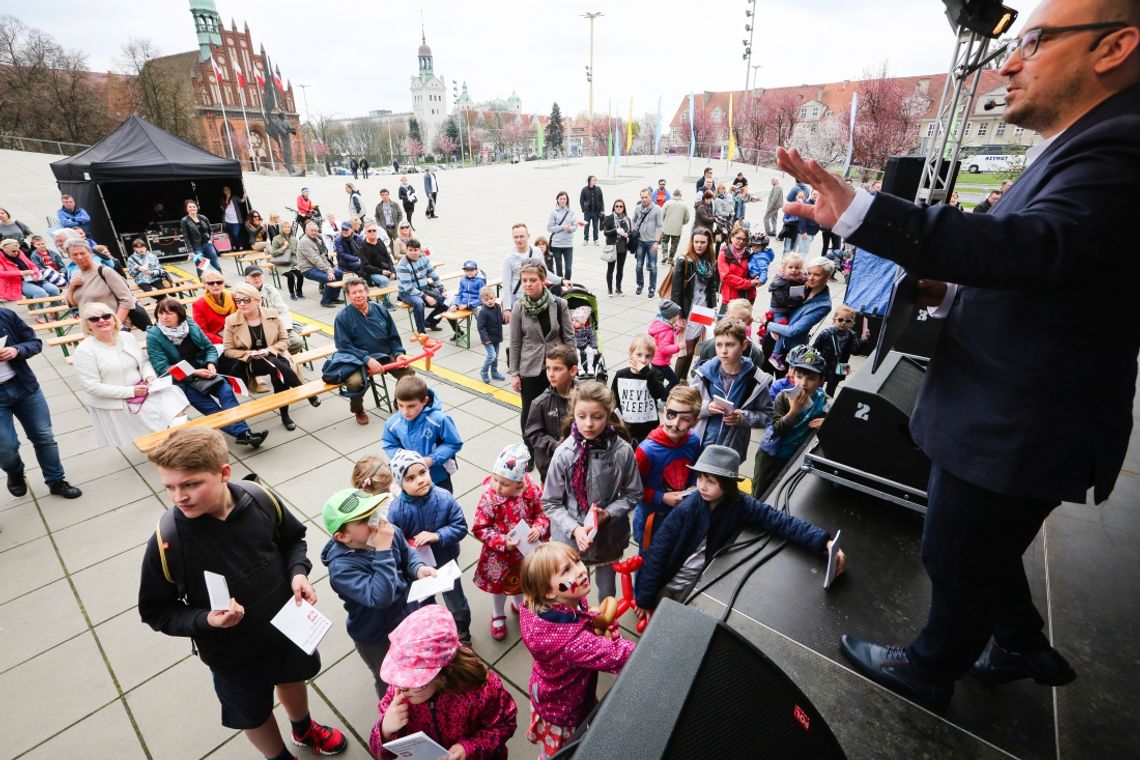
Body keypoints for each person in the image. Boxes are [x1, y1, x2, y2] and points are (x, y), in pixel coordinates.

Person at [775, 0, 1140, 708]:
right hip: (1022, 406)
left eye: (1032, 42)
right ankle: (1016, 638)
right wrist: (949, 288)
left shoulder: (1122, 147)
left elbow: (1034, 248)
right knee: (984, 544)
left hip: (1020, 418)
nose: (1008, 61)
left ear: (1114, 46)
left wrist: (862, 213)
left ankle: (930, 668)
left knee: (952, 549)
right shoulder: (1092, 142)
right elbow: (1051, 272)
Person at [137, 427, 349, 759]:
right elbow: (156, 611)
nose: (179, 497)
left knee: (293, 678)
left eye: (190, 484)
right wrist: (206, 619)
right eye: (170, 487)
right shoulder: (168, 540)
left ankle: (303, 727)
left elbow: (293, 540)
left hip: (286, 629)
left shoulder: (260, 499)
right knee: (253, 712)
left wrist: (298, 573)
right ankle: (278, 757)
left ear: (224, 473)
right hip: (232, 654)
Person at [634, 444, 842, 614]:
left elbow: (779, 520)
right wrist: (644, 598)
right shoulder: (687, 509)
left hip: (702, 583)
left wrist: (823, 541)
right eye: (699, 478)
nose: (702, 486)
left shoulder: (741, 504)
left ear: (727, 485)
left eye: (711, 481)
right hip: (672, 585)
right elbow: (658, 553)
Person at [518, 542, 637, 759]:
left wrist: (592, 623)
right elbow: (623, 655)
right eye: (566, 570)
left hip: (553, 690)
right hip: (564, 710)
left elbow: (584, 617)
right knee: (559, 753)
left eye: (576, 561)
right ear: (547, 591)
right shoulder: (572, 644)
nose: (580, 570)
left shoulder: (555, 602)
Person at [320, 487, 434, 697]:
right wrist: (383, 550)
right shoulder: (342, 569)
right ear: (343, 536)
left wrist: (418, 568)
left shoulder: (387, 532)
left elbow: (407, 555)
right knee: (390, 680)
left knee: (415, 664)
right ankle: (390, 713)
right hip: (376, 635)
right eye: (364, 519)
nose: (376, 520)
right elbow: (380, 597)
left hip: (406, 616)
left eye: (375, 510)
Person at [371, 606, 517, 758]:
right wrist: (384, 730)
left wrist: (469, 748)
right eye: (399, 678)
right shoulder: (399, 693)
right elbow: (380, 753)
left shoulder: (482, 689)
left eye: (414, 683)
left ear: (443, 674)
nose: (402, 688)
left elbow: (504, 724)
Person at [541, 381, 641, 601]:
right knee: (569, 591)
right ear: (573, 414)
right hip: (569, 540)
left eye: (597, 417)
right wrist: (575, 529)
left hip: (607, 537)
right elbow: (550, 502)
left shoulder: (623, 452)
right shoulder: (565, 453)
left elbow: (634, 493)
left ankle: (606, 628)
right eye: (582, 416)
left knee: (607, 591)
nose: (588, 424)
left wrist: (610, 513)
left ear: (608, 415)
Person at [147, 298, 266, 448]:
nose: (164, 317)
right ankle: (244, 434)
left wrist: (211, 363)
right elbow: (162, 367)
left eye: (169, 313)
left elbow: (209, 349)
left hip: (206, 373)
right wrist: (195, 372)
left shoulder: (191, 326)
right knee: (211, 409)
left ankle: (244, 434)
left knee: (227, 392)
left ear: (179, 315)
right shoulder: (154, 336)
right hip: (183, 381)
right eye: (160, 313)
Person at [387, 449, 473, 643]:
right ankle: (436, 634)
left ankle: (462, 631)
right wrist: (408, 546)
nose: (420, 480)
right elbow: (394, 542)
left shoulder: (444, 497)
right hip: (417, 568)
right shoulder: (397, 509)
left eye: (422, 472)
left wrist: (437, 535)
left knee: (456, 600)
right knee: (425, 603)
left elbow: (460, 526)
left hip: (445, 559)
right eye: (410, 478)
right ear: (401, 483)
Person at [73, 303, 188, 448]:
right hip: (118, 400)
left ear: (114, 318)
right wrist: (131, 391)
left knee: (173, 401)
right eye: (94, 319)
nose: (102, 320)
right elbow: (91, 387)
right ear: (87, 325)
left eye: (106, 316)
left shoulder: (126, 336)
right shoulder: (84, 350)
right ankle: (174, 449)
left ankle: (181, 447)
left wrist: (149, 377)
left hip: (143, 389)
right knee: (158, 428)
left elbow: (144, 362)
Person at [0, 307, 82, 499]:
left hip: (24, 387)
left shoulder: (5, 315)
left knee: (44, 436)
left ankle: (56, 481)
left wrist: (17, 350)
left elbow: (34, 342)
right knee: (6, 447)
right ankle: (15, 471)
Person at [473, 443, 550, 640]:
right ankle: (498, 613)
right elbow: (480, 528)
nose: (498, 486)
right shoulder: (490, 497)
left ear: (519, 483)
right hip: (499, 555)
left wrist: (538, 529)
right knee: (499, 586)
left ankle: (518, 603)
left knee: (522, 580)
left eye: (504, 483)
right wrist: (501, 542)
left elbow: (543, 512)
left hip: (524, 551)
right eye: (496, 480)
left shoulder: (530, 491)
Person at [222, 282, 319, 431]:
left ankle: (285, 415)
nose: (241, 304)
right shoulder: (231, 321)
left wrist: (269, 350)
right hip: (249, 362)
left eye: (246, 300)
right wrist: (249, 354)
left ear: (257, 300)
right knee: (277, 365)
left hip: (274, 354)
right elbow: (228, 350)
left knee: (277, 370)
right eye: (238, 300)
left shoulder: (272, 314)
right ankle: (305, 392)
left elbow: (285, 341)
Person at [751, 345, 829, 497]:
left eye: (811, 378)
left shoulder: (823, 401)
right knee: (760, 493)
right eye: (800, 377)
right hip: (771, 455)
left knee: (782, 493)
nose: (804, 383)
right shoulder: (783, 397)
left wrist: (827, 424)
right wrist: (793, 411)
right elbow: (777, 429)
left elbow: (840, 421)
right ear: (793, 376)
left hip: (794, 457)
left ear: (821, 381)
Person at [691, 319, 773, 462]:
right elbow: (689, 404)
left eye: (730, 345)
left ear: (744, 345)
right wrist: (707, 407)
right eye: (719, 345)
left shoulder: (756, 380)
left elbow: (767, 415)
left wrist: (743, 417)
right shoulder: (703, 373)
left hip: (731, 451)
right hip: (700, 446)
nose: (723, 350)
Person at [332, 277, 411, 425]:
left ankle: (398, 401)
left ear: (367, 292)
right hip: (358, 360)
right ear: (348, 296)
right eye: (354, 292)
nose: (358, 295)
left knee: (408, 373)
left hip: (385, 354)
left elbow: (393, 336)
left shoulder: (380, 309)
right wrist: (367, 359)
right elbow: (343, 346)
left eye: (361, 291)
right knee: (355, 382)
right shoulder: (342, 318)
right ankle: (358, 409)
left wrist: (399, 354)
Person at [509, 261, 574, 438]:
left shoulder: (559, 304)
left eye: (532, 280)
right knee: (530, 412)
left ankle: (560, 444)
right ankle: (530, 451)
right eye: (524, 280)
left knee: (561, 409)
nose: (527, 284)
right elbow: (515, 342)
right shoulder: (519, 307)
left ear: (543, 280)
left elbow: (569, 337)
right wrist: (514, 372)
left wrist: (572, 366)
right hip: (530, 368)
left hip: (558, 366)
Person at [633, 385, 701, 550]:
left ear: (695, 421)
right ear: (664, 411)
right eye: (672, 414)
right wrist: (662, 497)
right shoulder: (646, 450)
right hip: (652, 519)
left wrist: (693, 487)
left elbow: (693, 471)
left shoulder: (693, 441)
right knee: (647, 562)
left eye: (685, 418)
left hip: (679, 513)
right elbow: (632, 489)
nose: (675, 424)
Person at [382, 374, 463, 489]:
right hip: (410, 478)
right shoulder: (393, 422)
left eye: (411, 406)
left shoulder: (439, 420)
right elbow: (389, 444)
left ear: (425, 400)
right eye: (400, 405)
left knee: (442, 503)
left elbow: (454, 443)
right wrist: (403, 459)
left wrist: (432, 459)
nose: (405, 412)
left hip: (437, 476)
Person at [765, 256, 834, 370]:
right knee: (763, 378)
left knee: (783, 383)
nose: (810, 278)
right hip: (772, 337)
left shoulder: (824, 305)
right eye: (809, 273)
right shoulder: (800, 283)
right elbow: (780, 302)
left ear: (828, 277)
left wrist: (767, 324)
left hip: (788, 348)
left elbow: (793, 330)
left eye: (816, 275)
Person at [64, 238, 149, 329]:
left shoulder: (105, 271)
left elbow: (127, 300)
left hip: (112, 327)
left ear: (90, 253)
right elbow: (72, 305)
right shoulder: (75, 275)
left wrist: (115, 325)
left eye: (82, 253)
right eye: (75, 254)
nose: (79, 257)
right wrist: (71, 288)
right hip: (91, 328)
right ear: (70, 257)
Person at [524, 345, 578, 482]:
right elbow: (532, 433)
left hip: (579, 466)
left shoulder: (584, 397)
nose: (551, 374)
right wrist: (554, 445)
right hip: (551, 469)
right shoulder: (540, 403)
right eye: (548, 368)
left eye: (557, 369)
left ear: (572, 370)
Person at [670, 227, 718, 382]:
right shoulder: (684, 260)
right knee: (686, 350)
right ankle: (674, 384)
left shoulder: (710, 260)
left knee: (693, 349)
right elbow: (676, 292)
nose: (699, 245)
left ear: (708, 243)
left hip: (703, 310)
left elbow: (711, 288)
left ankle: (683, 381)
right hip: (688, 311)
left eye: (703, 242)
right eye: (696, 242)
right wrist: (679, 316)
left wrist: (712, 309)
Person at [610, 334, 666, 445]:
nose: (643, 360)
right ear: (630, 355)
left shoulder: (655, 375)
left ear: (652, 358)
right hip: (627, 426)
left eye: (647, 356)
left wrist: (646, 373)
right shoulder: (621, 374)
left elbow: (659, 393)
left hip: (648, 426)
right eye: (639, 355)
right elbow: (614, 397)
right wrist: (617, 418)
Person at [501, 224, 570, 314]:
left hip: (537, 298)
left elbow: (545, 273)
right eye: (516, 237)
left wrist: (561, 280)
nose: (519, 240)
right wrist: (507, 309)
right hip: (519, 300)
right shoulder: (509, 258)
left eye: (522, 236)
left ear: (528, 236)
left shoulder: (537, 251)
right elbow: (506, 285)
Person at [395, 239, 453, 335]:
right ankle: (421, 332)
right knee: (419, 303)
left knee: (445, 299)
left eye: (415, 250)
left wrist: (442, 289)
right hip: (407, 293)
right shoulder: (402, 265)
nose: (413, 253)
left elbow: (434, 275)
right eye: (410, 250)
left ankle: (430, 322)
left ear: (419, 250)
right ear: (406, 250)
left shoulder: (424, 258)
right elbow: (408, 288)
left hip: (424, 288)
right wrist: (426, 297)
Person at [812, 304, 871, 396]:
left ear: (851, 323)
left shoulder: (852, 335)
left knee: (832, 388)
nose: (843, 322)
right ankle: (815, 401)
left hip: (842, 364)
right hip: (824, 363)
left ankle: (826, 404)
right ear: (834, 320)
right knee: (818, 385)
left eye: (847, 321)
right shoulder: (826, 333)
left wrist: (863, 340)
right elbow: (814, 348)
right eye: (840, 319)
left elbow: (855, 351)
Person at [244, 266, 303, 355]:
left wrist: (285, 329)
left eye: (259, 275)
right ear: (246, 278)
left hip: (276, 326)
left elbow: (283, 310)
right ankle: (276, 358)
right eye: (253, 276)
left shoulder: (270, 289)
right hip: (257, 331)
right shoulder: (242, 293)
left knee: (297, 342)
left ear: (263, 276)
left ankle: (276, 357)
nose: (256, 279)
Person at [296, 221, 343, 308]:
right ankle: (325, 301)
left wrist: (329, 267)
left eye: (315, 230)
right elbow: (315, 259)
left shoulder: (317, 240)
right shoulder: (304, 242)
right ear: (306, 231)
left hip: (318, 267)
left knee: (339, 273)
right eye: (312, 230)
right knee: (330, 278)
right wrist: (327, 270)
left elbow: (323, 256)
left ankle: (334, 297)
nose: (314, 232)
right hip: (308, 269)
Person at [631, 188, 664, 298]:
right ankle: (640, 285)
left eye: (646, 197)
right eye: (642, 197)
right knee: (639, 266)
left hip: (651, 243)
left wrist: (656, 242)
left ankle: (652, 288)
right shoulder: (637, 208)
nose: (644, 199)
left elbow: (660, 226)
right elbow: (633, 220)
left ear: (650, 197)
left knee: (653, 266)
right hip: (640, 241)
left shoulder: (657, 209)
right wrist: (634, 231)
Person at [718, 226, 759, 308]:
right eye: (738, 238)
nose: (741, 241)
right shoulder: (724, 254)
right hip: (730, 298)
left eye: (744, 240)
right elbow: (726, 277)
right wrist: (749, 283)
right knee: (723, 320)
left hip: (747, 296)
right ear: (731, 237)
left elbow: (755, 272)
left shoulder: (749, 255)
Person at [192, 271, 236, 347]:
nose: (216, 285)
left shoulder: (233, 296)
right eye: (211, 283)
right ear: (205, 285)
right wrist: (224, 341)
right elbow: (202, 332)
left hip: (237, 333)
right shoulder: (198, 305)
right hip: (218, 341)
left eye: (219, 282)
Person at [648, 299, 684, 390]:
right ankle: (663, 398)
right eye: (677, 315)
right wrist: (678, 347)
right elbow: (664, 349)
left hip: (655, 359)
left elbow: (662, 339)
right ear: (672, 317)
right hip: (660, 362)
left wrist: (677, 329)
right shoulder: (667, 331)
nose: (678, 316)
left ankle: (657, 395)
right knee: (674, 380)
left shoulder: (661, 324)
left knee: (658, 381)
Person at [358, 220, 396, 300]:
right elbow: (365, 266)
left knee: (403, 274)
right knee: (384, 281)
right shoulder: (363, 247)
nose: (372, 232)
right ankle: (384, 301)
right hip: (371, 272)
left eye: (374, 230)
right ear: (365, 233)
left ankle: (403, 297)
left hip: (384, 269)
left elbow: (388, 258)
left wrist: (392, 271)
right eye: (369, 231)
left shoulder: (380, 241)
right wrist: (381, 272)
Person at [601, 199, 632, 295]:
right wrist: (616, 230)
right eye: (617, 206)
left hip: (623, 247)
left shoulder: (627, 219)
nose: (618, 208)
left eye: (621, 206)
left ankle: (618, 288)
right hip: (612, 247)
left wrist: (627, 234)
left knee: (620, 269)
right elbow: (605, 232)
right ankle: (610, 289)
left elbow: (630, 231)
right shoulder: (610, 218)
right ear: (614, 207)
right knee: (610, 269)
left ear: (623, 208)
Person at [180, 200, 221, 273]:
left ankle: (220, 280)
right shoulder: (184, 221)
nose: (192, 208)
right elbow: (186, 237)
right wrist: (190, 251)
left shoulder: (203, 217)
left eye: (194, 206)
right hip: (197, 247)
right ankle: (203, 283)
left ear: (197, 207)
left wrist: (211, 240)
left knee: (215, 265)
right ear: (186, 209)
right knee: (201, 268)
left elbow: (210, 230)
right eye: (190, 207)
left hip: (208, 245)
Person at [546, 190, 579, 279]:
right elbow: (550, 228)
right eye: (561, 198)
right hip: (557, 244)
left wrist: (570, 229)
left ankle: (567, 285)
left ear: (567, 200)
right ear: (557, 200)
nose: (563, 200)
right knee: (559, 268)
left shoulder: (572, 212)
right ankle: (560, 287)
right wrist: (562, 227)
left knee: (568, 269)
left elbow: (575, 226)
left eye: (564, 199)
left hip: (568, 244)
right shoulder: (554, 213)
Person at [477, 285, 506, 383]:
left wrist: (504, 321)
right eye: (486, 299)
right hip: (488, 339)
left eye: (491, 298)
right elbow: (481, 327)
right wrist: (486, 339)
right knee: (492, 355)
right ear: (482, 300)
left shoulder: (497, 307)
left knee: (496, 357)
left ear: (495, 297)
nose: (489, 301)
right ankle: (484, 371)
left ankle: (494, 372)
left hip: (496, 337)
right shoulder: (483, 312)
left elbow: (498, 319)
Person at [269, 220, 303, 300]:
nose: (287, 228)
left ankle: (299, 292)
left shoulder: (293, 239)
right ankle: (292, 293)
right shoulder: (276, 239)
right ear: (281, 228)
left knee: (300, 275)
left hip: (293, 262)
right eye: (285, 227)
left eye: (288, 227)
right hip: (282, 263)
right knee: (290, 276)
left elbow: (296, 252)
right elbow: (273, 253)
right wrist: (283, 247)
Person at [659, 189, 690, 266]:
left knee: (664, 241)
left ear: (673, 195)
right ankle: (670, 258)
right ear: (680, 195)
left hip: (666, 227)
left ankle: (665, 254)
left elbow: (661, 214)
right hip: (677, 228)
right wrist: (682, 223)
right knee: (674, 244)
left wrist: (663, 222)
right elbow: (687, 218)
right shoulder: (684, 205)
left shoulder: (667, 203)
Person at [570, 305, 598, 376]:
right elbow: (568, 338)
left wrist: (594, 347)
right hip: (575, 346)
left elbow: (592, 338)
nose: (573, 322)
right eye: (573, 320)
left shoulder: (588, 329)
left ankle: (590, 367)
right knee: (577, 352)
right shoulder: (571, 329)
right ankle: (579, 368)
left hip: (585, 345)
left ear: (583, 324)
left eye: (576, 321)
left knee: (590, 351)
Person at [580, 175, 604, 247]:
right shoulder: (584, 190)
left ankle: (596, 239)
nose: (594, 181)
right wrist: (583, 209)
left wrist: (602, 210)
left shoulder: (598, 189)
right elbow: (581, 200)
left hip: (596, 212)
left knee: (595, 226)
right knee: (586, 226)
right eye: (593, 180)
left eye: (595, 180)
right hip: (587, 212)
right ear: (589, 181)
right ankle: (585, 239)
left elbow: (601, 200)